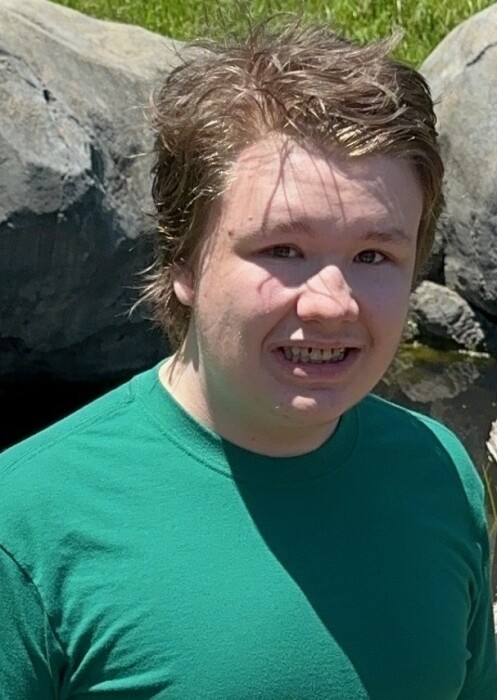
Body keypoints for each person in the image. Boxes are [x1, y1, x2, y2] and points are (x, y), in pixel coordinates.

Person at [1, 17, 496, 700]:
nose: (332, 303)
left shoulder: (438, 471)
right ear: (182, 261)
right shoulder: (28, 521)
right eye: (282, 250)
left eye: (374, 255)